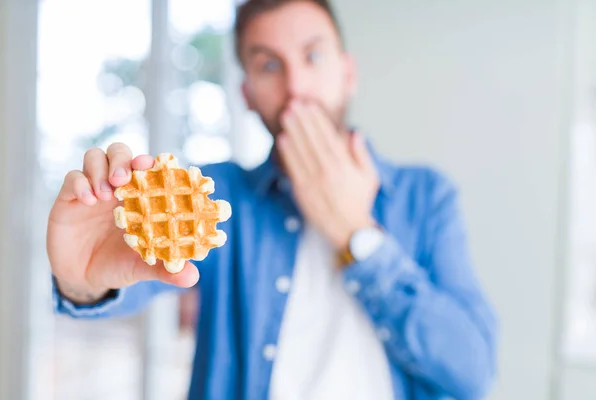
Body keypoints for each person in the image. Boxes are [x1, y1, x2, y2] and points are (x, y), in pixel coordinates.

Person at [47, 0, 499, 399]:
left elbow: (472, 370)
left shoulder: (425, 197)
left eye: (313, 56)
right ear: (246, 93)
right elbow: (135, 280)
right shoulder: (218, 197)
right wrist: (85, 283)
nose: (296, 86)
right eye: (268, 65)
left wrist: (356, 233)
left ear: (348, 74)